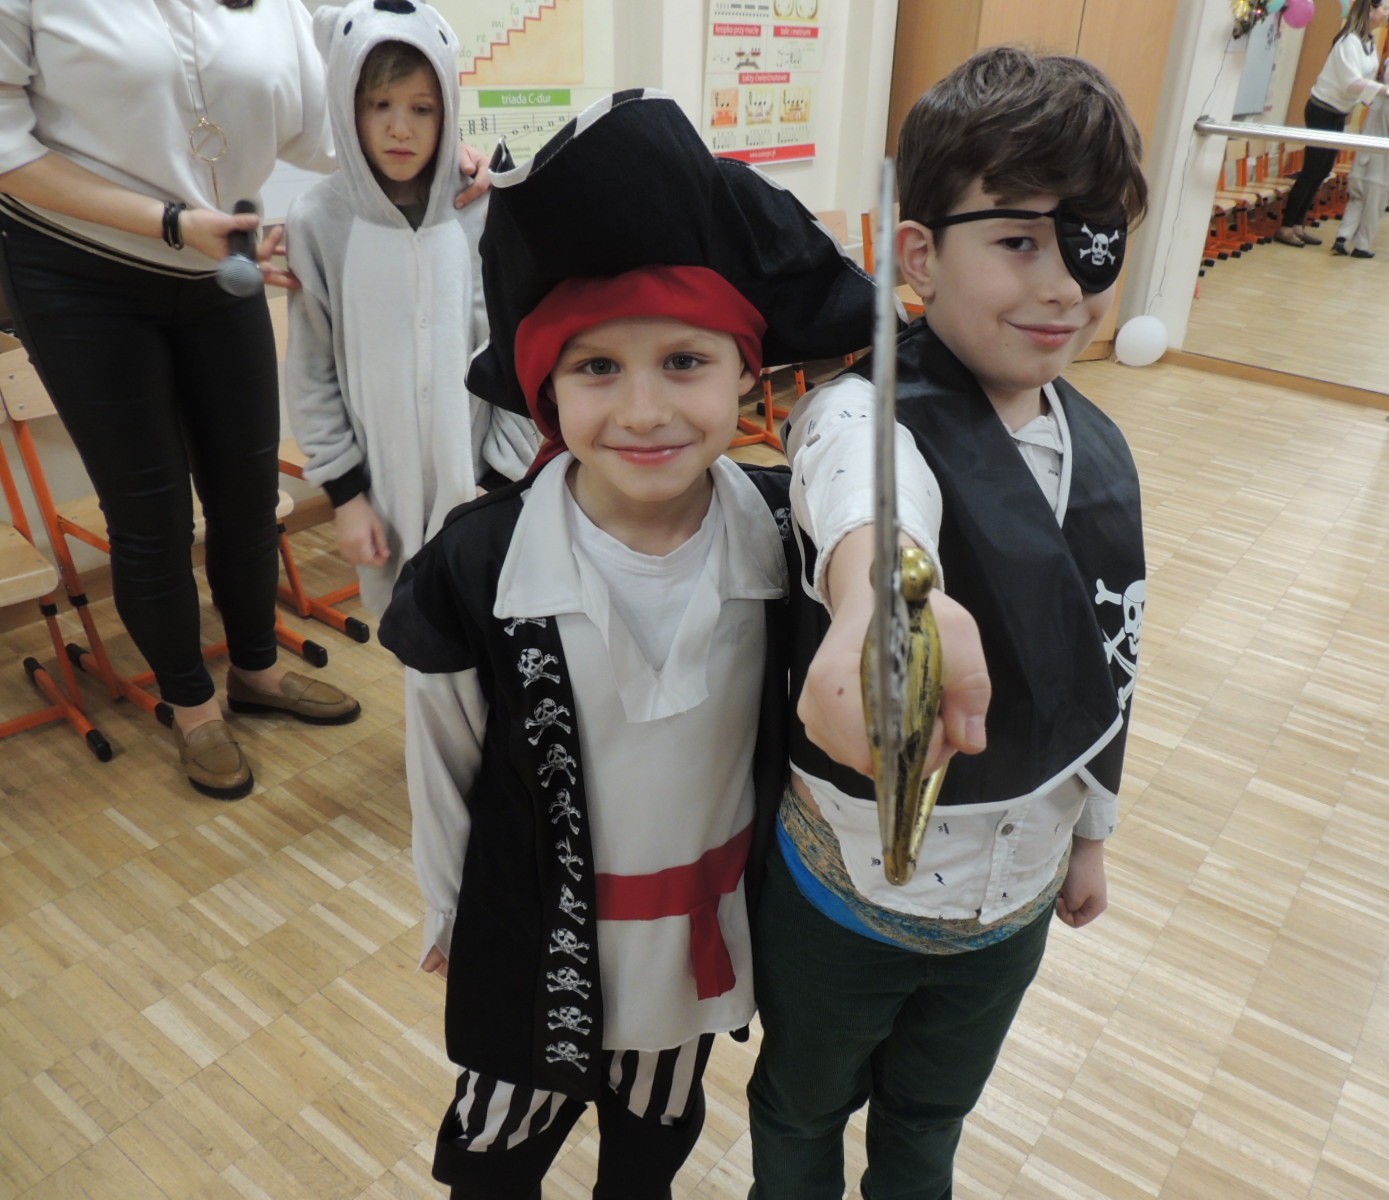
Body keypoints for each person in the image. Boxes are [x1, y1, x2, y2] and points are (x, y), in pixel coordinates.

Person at [377, 89, 873, 1199]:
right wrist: (448, 907)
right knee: (496, 1151)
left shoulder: (788, 538)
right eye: (597, 368)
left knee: (651, 1139)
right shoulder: (479, 567)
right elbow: (441, 756)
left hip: (696, 943)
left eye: (684, 361)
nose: (644, 410)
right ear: (547, 391)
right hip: (534, 936)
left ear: (746, 373)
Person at [746, 48, 1149, 1199]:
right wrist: (884, 591)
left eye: (1090, 242)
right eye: (1017, 241)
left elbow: (1115, 653)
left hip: (1012, 904)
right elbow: (865, 497)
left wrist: (1090, 834)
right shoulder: (864, 412)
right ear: (919, 256)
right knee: (800, 1112)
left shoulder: (1101, 449)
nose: (1063, 285)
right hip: (851, 896)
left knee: (931, 1123)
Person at [0, 0, 488, 800]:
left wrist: (447, 149)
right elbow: (6, 148)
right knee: (151, 513)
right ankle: (192, 706)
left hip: (220, 257)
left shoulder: (274, 11)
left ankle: (255, 671)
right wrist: (170, 221)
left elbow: (336, 114)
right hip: (81, 272)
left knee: (248, 492)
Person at [285, 0, 538, 619]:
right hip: (383, 506)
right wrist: (347, 497)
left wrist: (500, 482)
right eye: (380, 105)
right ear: (349, 106)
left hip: (485, 493)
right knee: (414, 642)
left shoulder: (480, 207)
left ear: (447, 109)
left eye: (422, 109)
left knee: (497, 638)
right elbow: (314, 372)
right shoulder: (319, 222)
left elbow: (513, 350)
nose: (401, 128)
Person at [1276, 0, 1389, 247]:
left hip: (1339, 112)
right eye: (1383, 8)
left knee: (1323, 170)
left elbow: (1365, 81)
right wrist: (1386, 90)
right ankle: (1286, 227)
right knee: (1312, 170)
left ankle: (1298, 224)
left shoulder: (1368, 42)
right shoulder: (1348, 41)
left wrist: (1379, 98)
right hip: (1322, 110)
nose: (1386, 13)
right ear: (1370, 9)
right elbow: (1351, 82)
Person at [1332, 53, 1389, 258]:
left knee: (1356, 200)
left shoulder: (1376, 98)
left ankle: (1343, 236)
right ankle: (1362, 246)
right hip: (1380, 167)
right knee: (1373, 208)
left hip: (1362, 160)